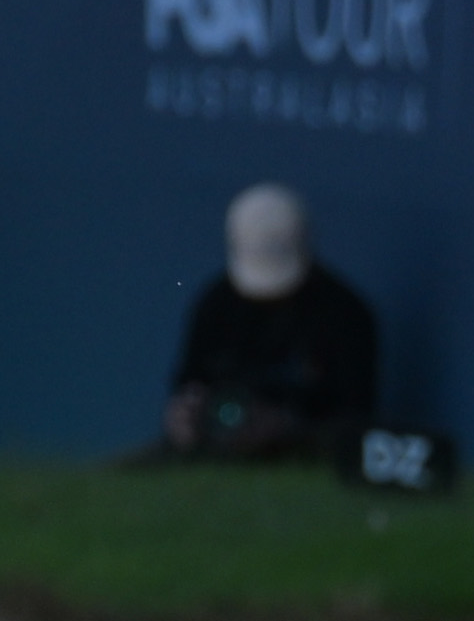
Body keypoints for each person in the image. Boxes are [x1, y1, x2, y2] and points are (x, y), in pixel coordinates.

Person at [146, 188, 386, 466]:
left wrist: (286, 429)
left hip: (306, 455)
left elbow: (358, 417)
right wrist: (185, 418)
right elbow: (188, 382)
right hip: (214, 453)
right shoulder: (216, 304)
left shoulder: (345, 314)